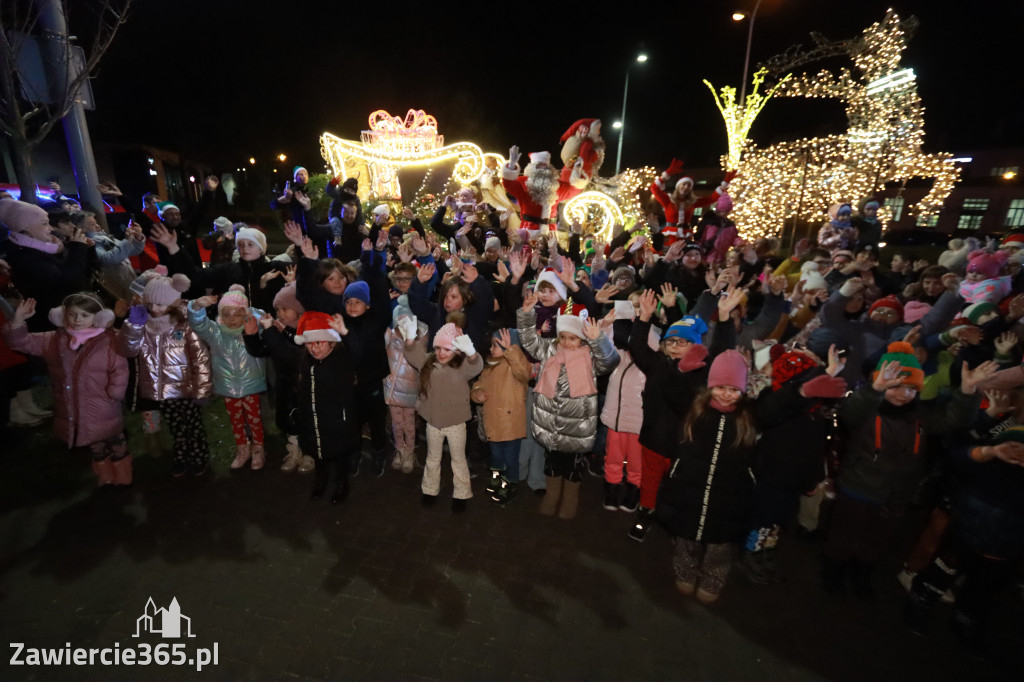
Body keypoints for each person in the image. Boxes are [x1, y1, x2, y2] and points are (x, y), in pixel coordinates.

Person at [821, 343, 995, 599]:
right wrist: (875, 390)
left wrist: (967, 391)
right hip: (859, 486)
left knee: (878, 538)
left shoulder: (920, 416)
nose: (904, 394)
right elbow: (851, 413)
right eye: (896, 386)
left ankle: (862, 573)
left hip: (897, 493)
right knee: (845, 534)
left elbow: (952, 420)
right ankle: (834, 572)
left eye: (912, 388)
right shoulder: (868, 411)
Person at [4, 293, 130, 486]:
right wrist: (18, 321)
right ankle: (105, 475)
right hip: (74, 405)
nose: (77, 320)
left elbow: (119, 369)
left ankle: (122, 476)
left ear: (98, 317)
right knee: (93, 441)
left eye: (84, 315)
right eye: (72, 314)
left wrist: (114, 393)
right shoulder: (54, 339)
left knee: (113, 438)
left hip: (103, 403)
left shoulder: (109, 340)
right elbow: (21, 343)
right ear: (62, 315)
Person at [517, 296, 619, 520]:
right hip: (551, 425)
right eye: (563, 337)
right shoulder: (551, 350)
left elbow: (610, 361)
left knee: (573, 467)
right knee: (552, 464)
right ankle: (552, 495)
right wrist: (526, 316)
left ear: (583, 338)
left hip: (577, 428)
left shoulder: (590, 356)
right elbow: (530, 342)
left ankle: (571, 497)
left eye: (573, 338)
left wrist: (599, 340)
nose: (566, 342)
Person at [117, 273, 213, 477]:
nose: (155, 309)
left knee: (193, 426)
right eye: (151, 303)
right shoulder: (143, 325)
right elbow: (127, 350)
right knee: (176, 426)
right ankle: (181, 456)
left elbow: (200, 357)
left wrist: (203, 390)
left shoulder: (185, 325)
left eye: (161, 304)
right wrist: (133, 326)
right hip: (161, 389)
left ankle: (198, 457)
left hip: (186, 388)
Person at [404, 322, 484, 513]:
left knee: (458, 459)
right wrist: (408, 339)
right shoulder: (428, 363)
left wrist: (472, 353)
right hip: (433, 422)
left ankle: (462, 493)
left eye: (447, 349)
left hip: (456, 424)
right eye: (438, 348)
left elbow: (476, 366)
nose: (441, 353)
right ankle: (430, 490)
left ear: (457, 350)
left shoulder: (462, 367)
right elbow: (412, 354)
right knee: (432, 457)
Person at [187, 286, 268, 470]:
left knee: (254, 419)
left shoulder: (252, 329)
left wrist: (249, 313)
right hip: (228, 386)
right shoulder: (215, 332)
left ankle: (258, 449)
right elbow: (198, 324)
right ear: (220, 315)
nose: (231, 319)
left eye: (236, 313)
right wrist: (197, 306)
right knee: (236, 420)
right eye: (227, 314)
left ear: (245, 313)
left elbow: (262, 318)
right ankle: (242, 449)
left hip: (251, 384)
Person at [243, 282, 313, 474]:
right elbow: (261, 350)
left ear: (299, 310)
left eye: (285, 308)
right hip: (284, 386)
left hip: (305, 387)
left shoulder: (307, 331)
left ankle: (310, 453)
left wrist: (271, 332)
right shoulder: (276, 329)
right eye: (277, 309)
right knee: (290, 423)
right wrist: (251, 336)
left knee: (307, 421)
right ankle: (294, 451)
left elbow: (289, 355)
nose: (280, 313)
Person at [291, 311, 360, 503]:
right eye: (309, 343)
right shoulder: (306, 361)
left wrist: (346, 333)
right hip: (313, 420)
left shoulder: (342, 358)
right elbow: (283, 352)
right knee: (318, 453)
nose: (313, 349)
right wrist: (270, 331)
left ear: (331, 342)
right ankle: (320, 480)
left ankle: (341, 483)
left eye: (319, 343)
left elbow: (359, 352)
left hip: (338, 421)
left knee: (339, 455)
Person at [0, 200, 92, 332]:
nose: (51, 228)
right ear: (25, 228)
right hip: (51, 325)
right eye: (44, 224)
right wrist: (78, 248)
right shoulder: (24, 257)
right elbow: (69, 282)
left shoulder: (48, 247)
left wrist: (85, 248)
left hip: (65, 316)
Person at [471, 328, 531, 505]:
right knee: (496, 457)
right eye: (491, 345)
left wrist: (511, 349)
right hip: (493, 423)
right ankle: (497, 478)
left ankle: (510, 483)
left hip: (510, 424)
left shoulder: (514, 367)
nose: (491, 349)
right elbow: (477, 386)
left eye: (495, 345)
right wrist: (478, 393)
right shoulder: (489, 367)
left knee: (510, 458)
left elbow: (525, 372)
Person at [501, 146, 586, 237]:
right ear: (532, 168)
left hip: (550, 232)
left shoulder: (556, 185)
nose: (542, 169)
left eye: (545, 166)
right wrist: (511, 165)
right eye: (539, 165)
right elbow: (508, 184)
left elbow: (574, 190)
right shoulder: (523, 182)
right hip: (528, 230)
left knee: (551, 250)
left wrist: (577, 172)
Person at [384, 302, 425, 474]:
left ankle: (409, 452)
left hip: (410, 390)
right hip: (392, 389)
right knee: (396, 423)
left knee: (409, 423)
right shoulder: (389, 337)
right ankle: (400, 450)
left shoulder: (420, 339)